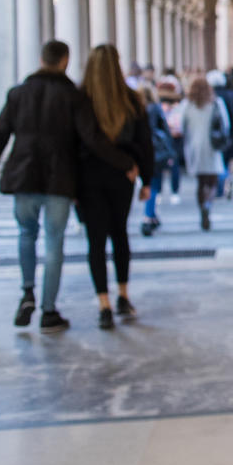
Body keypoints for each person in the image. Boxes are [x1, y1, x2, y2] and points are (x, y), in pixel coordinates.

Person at [0, 40, 137, 333]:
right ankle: (49, 311)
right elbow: (91, 139)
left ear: (41, 59)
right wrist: (124, 163)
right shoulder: (72, 97)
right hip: (59, 180)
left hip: (23, 178)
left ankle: (27, 292)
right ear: (65, 61)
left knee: (26, 234)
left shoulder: (18, 94)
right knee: (53, 242)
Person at [78, 44, 154, 330]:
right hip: (124, 177)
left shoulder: (83, 100)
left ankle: (104, 303)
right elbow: (145, 144)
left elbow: (78, 144)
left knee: (95, 242)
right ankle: (123, 294)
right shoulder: (132, 100)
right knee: (119, 234)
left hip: (89, 179)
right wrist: (147, 179)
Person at [182, 77, 229, 231]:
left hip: (195, 147)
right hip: (212, 147)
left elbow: (182, 126)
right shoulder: (215, 103)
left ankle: (202, 206)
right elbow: (225, 124)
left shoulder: (188, 105)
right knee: (212, 181)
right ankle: (208, 204)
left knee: (201, 182)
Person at [140, 84, 176, 236]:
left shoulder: (138, 110)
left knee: (149, 183)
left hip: (142, 151)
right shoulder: (155, 108)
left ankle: (152, 216)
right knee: (154, 185)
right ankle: (148, 217)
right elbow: (163, 131)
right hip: (155, 152)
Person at [208, 69, 233, 199]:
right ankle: (225, 180)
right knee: (225, 161)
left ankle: (221, 187)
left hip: (215, 135)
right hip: (231, 134)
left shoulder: (210, 98)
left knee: (218, 161)